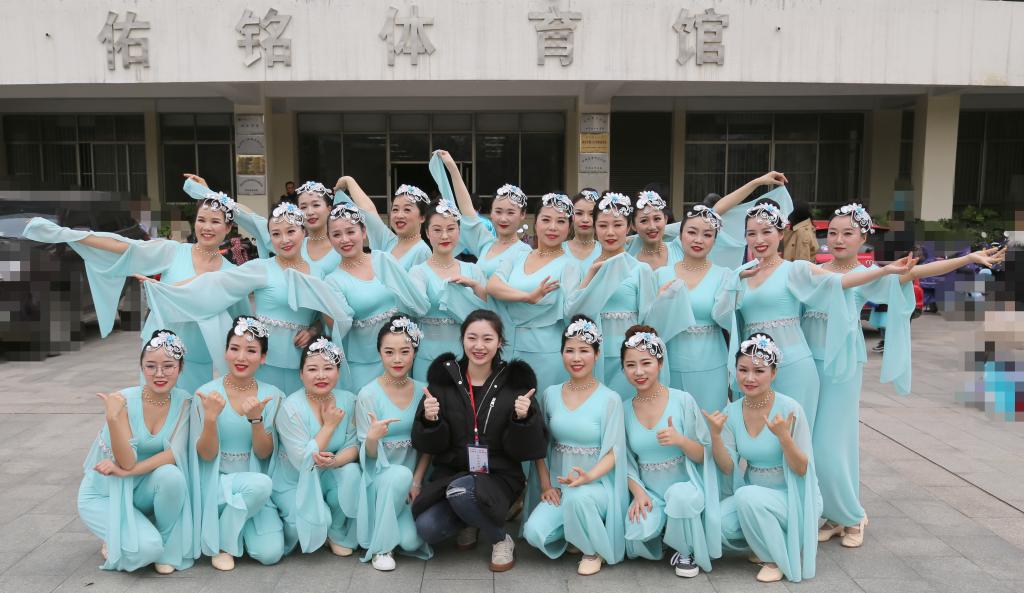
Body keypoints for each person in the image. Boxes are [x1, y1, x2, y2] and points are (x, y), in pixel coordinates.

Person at [809, 204, 1006, 548]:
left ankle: (853, 515)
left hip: (841, 366)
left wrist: (967, 259)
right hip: (807, 364)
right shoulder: (812, 269)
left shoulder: (868, 273)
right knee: (811, 443)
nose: (838, 239)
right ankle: (834, 514)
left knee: (832, 443)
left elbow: (917, 271)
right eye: (833, 233)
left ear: (863, 238)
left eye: (848, 233)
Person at [713, 196, 914, 431]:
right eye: (751, 233)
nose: (759, 240)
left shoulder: (795, 270)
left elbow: (840, 282)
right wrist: (735, 281)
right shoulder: (739, 274)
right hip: (752, 370)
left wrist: (885, 271)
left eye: (766, 232)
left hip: (793, 365)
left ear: (781, 233)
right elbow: (721, 314)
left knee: (795, 437)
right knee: (756, 437)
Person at [22, 186, 238, 393]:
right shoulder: (172, 251)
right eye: (201, 220)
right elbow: (124, 246)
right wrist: (65, 234)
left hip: (197, 358)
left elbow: (240, 323)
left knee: (191, 413)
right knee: (155, 411)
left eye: (215, 221)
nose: (206, 227)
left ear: (228, 228)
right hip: (159, 354)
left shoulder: (233, 274)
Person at [137, 199, 351, 395]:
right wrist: (165, 288)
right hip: (264, 361)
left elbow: (325, 316)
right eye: (276, 234)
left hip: (303, 362)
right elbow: (215, 282)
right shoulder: (261, 268)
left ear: (303, 232)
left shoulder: (318, 273)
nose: (284, 240)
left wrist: (314, 329)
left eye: (290, 231)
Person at [412, 310, 548, 572]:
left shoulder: (515, 382)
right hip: (453, 474)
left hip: (499, 476)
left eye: (487, 338)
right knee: (427, 528)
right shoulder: (444, 380)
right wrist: (430, 421)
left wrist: (523, 419)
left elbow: (529, 449)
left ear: (500, 342)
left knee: (463, 491)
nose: (479, 346)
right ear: (462, 339)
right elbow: (430, 446)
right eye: (472, 337)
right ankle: (470, 519)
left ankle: (500, 539)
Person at [706, 333, 820, 583]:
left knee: (746, 496)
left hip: (792, 498)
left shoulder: (790, 409)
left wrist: (784, 438)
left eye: (759, 371)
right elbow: (727, 468)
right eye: (743, 370)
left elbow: (802, 469)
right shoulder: (731, 412)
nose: (749, 378)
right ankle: (765, 538)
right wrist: (715, 435)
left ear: (773, 373)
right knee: (715, 522)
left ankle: (775, 558)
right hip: (753, 498)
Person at [78, 330, 194, 573]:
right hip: (106, 493)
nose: (159, 374)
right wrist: (112, 418)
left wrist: (126, 473)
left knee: (172, 475)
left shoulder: (185, 401)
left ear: (180, 368)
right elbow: (127, 461)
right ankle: (123, 541)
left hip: (141, 488)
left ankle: (164, 540)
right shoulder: (122, 400)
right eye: (151, 366)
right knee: (146, 550)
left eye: (168, 366)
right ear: (141, 367)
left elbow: (173, 454)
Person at [523, 315, 628, 575]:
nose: (576, 357)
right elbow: (540, 445)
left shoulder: (610, 399)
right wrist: (546, 485)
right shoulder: (551, 394)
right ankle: (575, 531)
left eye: (584, 350)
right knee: (534, 533)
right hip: (560, 489)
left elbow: (614, 452)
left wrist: (588, 477)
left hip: (596, 487)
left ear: (597, 354)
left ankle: (593, 550)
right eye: (570, 350)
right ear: (561, 353)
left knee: (580, 498)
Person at [619, 326, 720, 577]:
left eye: (646, 363)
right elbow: (625, 460)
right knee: (637, 532)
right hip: (650, 491)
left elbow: (703, 455)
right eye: (630, 365)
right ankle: (666, 530)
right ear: (623, 368)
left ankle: (685, 550)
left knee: (680, 498)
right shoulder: (623, 409)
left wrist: (681, 441)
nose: (639, 372)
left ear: (660, 363)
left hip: (685, 487)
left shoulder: (682, 400)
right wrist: (639, 492)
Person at [189, 317, 284, 570]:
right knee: (260, 484)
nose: (241, 357)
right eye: (234, 348)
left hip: (255, 491)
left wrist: (256, 420)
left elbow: (264, 453)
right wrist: (211, 418)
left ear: (263, 357)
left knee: (270, 553)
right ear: (225, 352)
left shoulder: (273, 396)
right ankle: (224, 544)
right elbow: (205, 455)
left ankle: (225, 529)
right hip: (216, 487)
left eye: (251, 351)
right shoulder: (206, 394)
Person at [324, 202, 429, 391]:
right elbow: (340, 326)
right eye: (336, 235)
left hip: (401, 357)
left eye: (350, 232)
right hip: (363, 364)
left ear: (363, 232)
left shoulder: (384, 259)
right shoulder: (332, 281)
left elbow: (412, 301)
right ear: (329, 239)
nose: (345, 239)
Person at [355, 316, 433, 570]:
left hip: (411, 484)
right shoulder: (368, 394)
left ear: (415, 352)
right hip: (379, 477)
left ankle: (391, 527)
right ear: (379, 353)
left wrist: (417, 480)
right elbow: (367, 457)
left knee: (411, 542)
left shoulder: (424, 391)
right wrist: (372, 438)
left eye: (404, 352)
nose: (397, 359)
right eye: (389, 352)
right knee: (398, 475)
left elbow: (430, 443)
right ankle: (381, 548)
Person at [271, 337, 361, 556]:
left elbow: (354, 445)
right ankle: (313, 520)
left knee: (351, 472)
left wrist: (335, 461)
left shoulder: (348, 400)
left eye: (328, 368)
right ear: (301, 374)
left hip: (327, 474)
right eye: (312, 369)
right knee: (314, 523)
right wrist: (329, 426)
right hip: (295, 480)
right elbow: (302, 460)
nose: (321, 375)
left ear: (338, 372)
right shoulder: (290, 408)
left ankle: (335, 530)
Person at [485, 193, 579, 393]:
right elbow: (492, 286)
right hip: (508, 346)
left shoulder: (570, 266)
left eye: (561, 221)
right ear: (535, 223)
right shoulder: (518, 255)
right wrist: (528, 297)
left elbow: (571, 313)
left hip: (546, 351)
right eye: (546, 220)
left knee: (541, 406)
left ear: (570, 227)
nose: (552, 227)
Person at [566, 192, 657, 398]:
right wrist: (590, 274)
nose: (610, 232)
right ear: (594, 227)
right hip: (590, 356)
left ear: (629, 226)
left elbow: (648, 321)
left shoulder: (640, 270)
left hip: (629, 359)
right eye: (603, 225)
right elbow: (571, 314)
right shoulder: (582, 268)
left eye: (617, 225)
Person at [644, 204, 729, 412]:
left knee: (710, 422)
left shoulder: (725, 276)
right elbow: (648, 326)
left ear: (715, 240)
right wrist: (661, 302)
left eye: (707, 235)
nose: (698, 240)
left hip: (712, 364)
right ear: (680, 235)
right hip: (670, 364)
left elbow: (729, 321)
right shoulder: (660, 275)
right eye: (692, 232)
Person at [408, 198, 489, 381]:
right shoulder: (418, 272)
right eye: (437, 230)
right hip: (428, 358)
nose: (444, 236)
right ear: (427, 232)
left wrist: (475, 286)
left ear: (459, 231)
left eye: (451, 229)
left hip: (468, 357)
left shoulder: (473, 270)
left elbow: (489, 313)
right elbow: (416, 307)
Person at [434, 150, 533, 279]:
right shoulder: (486, 243)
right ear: (491, 212)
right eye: (498, 211)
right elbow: (467, 208)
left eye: (510, 212)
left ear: (523, 214)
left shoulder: (524, 252)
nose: (503, 219)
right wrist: (452, 168)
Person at [337, 175, 432, 271]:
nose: (399, 215)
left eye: (407, 210)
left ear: (422, 217)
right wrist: (349, 181)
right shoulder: (388, 241)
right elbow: (369, 212)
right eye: (395, 209)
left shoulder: (422, 251)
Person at [626, 190, 680, 270]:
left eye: (657, 219)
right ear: (633, 225)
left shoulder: (681, 249)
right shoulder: (630, 265)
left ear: (665, 219)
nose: (652, 227)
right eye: (644, 221)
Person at [564, 189, 602, 268]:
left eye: (591, 214)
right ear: (571, 216)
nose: (585, 220)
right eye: (579, 213)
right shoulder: (558, 250)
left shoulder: (606, 251)